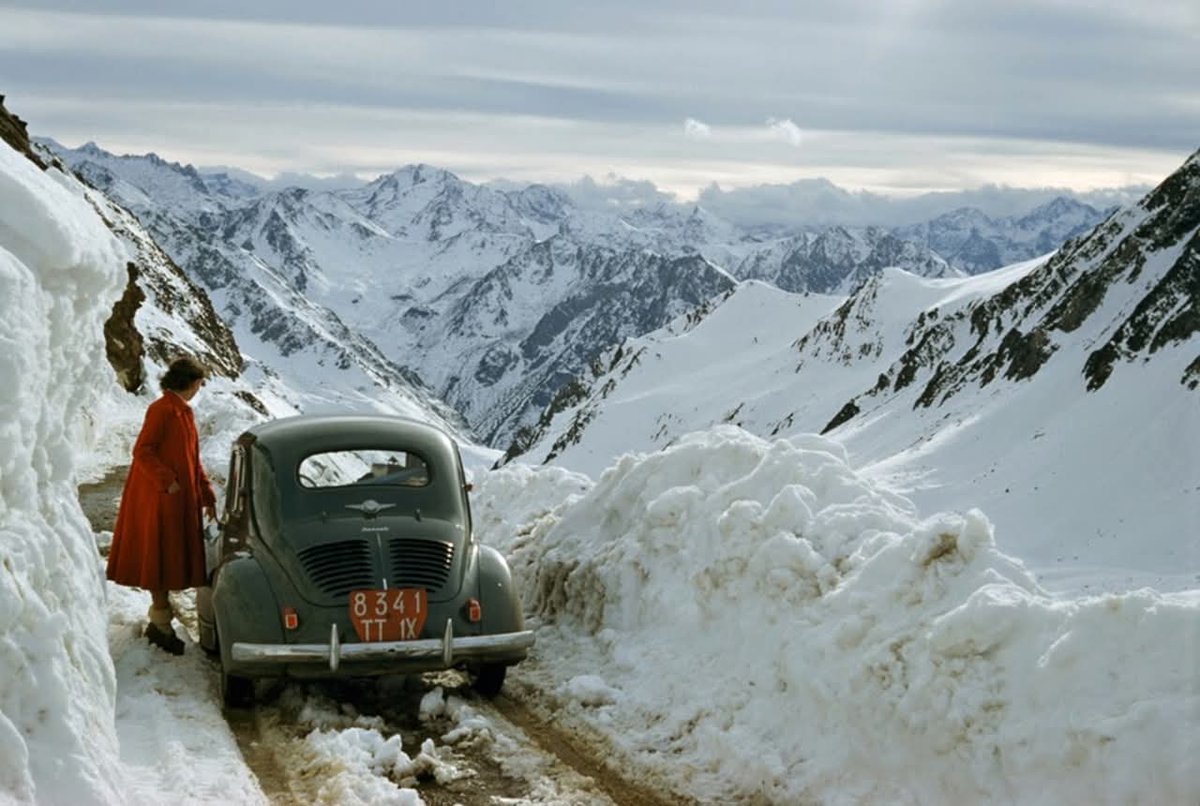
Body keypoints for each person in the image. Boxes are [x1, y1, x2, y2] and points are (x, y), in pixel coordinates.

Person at [106, 356, 217, 655]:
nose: (199, 388)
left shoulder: (183, 412)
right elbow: (142, 450)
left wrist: (206, 493)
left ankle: (161, 622)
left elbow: (193, 459)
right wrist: (167, 480)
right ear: (190, 382)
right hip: (160, 498)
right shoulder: (162, 410)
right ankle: (160, 624)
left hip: (176, 498)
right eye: (198, 383)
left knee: (168, 557)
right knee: (159, 557)